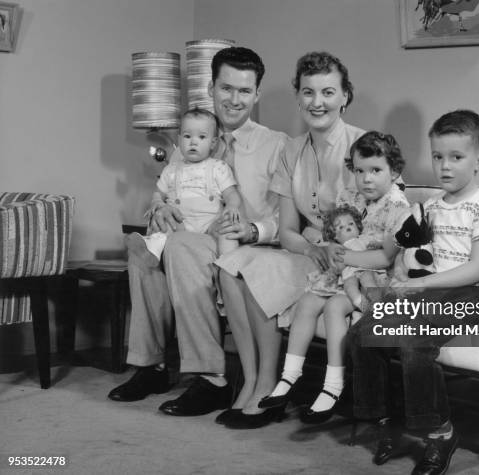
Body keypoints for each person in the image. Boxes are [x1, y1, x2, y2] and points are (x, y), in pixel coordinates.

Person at [108, 47, 288, 418]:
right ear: (211, 87)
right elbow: (169, 188)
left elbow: (287, 219)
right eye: (226, 88)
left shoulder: (276, 145)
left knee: (181, 247)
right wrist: (160, 210)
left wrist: (253, 229)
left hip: (243, 244)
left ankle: (212, 377)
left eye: (244, 90)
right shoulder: (192, 137)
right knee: (142, 248)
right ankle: (151, 366)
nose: (234, 99)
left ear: (257, 94)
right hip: (191, 234)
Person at [214, 51, 370, 429]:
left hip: (352, 264)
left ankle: (269, 385)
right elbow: (287, 231)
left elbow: (379, 225)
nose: (318, 103)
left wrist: (330, 248)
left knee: (250, 268)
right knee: (230, 265)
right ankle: (252, 380)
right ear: (298, 97)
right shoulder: (291, 150)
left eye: (328, 92)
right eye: (308, 92)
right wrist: (312, 245)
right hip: (308, 254)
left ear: (345, 96)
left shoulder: (363, 145)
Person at [348, 110, 479, 475]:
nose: (444, 166)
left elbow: (476, 269)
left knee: (413, 340)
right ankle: (385, 420)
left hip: (468, 296)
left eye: (456, 157)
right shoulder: (430, 207)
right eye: (438, 157)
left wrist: (419, 284)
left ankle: (440, 432)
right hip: (428, 294)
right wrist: (402, 278)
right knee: (362, 333)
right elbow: (412, 256)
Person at [258, 131, 410, 424]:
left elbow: (386, 258)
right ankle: (289, 376)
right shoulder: (350, 197)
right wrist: (328, 245)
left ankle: (333, 385)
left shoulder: (397, 207)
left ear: (395, 172)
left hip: (374, 277)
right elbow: (331, 232)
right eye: (360, 171)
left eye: (376, 171)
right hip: (342, 270)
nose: (366, 179)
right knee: (306, 302)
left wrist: (347, 258)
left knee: (333, 307)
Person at [126, 108, 244, 266]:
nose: (193, 142)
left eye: (202, 137)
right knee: (164, 225)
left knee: (227, 230)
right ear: (180, 139)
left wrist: (232, 206)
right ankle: (152, 248)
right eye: (188, 136)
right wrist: (157, 203)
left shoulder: (218, 167)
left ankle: (229, 263)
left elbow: (232, 193)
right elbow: (158, 193)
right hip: (181, 222)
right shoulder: (171, 169)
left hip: (210, 222)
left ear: (213, 142)